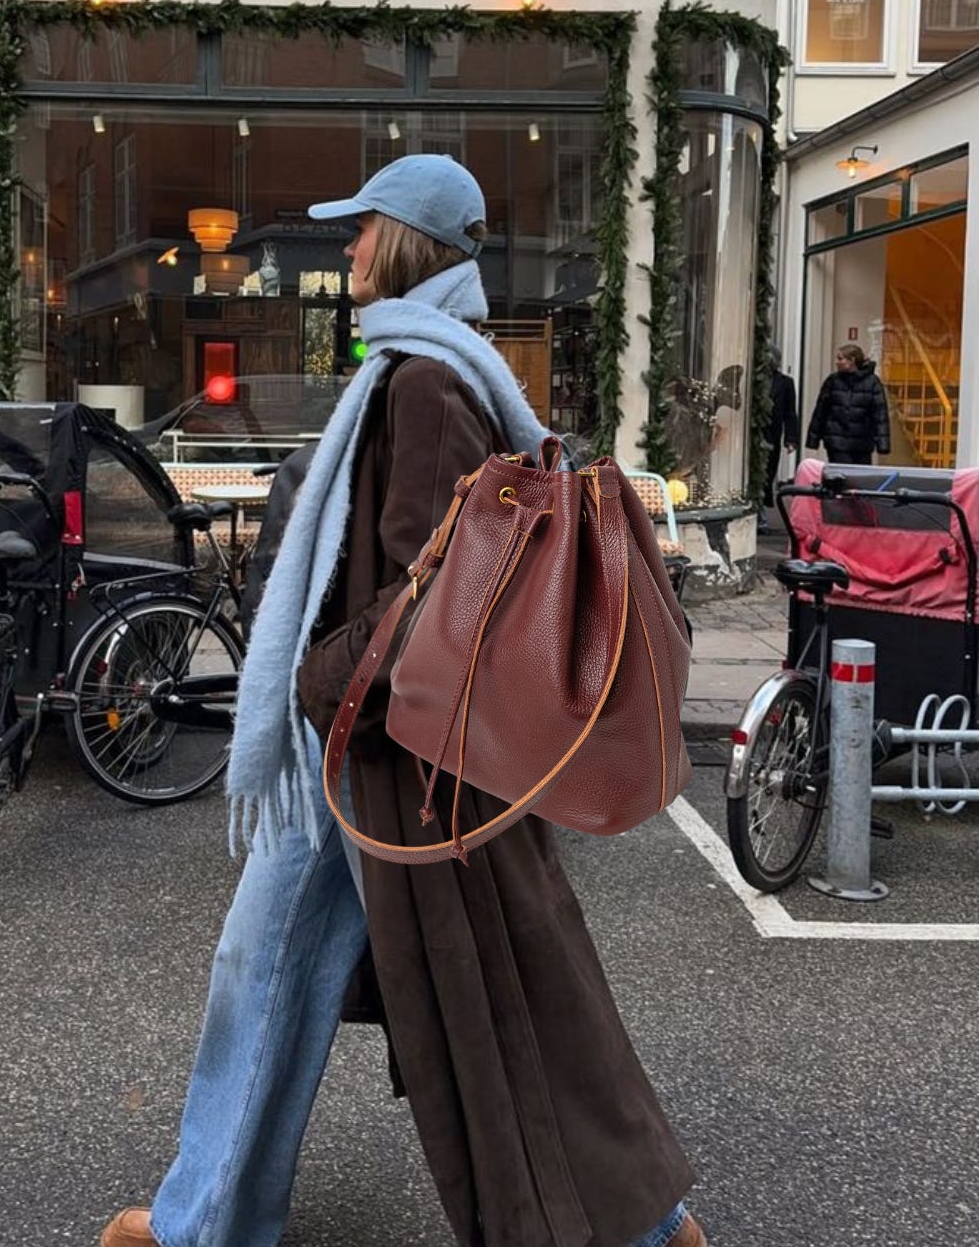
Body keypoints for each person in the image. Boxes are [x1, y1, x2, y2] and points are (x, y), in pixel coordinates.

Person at [101, 154, 704, 1247]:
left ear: (405, 240)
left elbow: (439, 588)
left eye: (362, 228)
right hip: (385, 744)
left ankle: (645, 1230)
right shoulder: (433, 362)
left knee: (475, 987)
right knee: (304, 973)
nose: (348, 247)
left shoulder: (427, 381)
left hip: (383, 746)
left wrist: (318, 675)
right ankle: (207, 1219)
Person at [805, 343, 890, 466]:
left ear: (852, 360)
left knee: (859, 475)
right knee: (841, 474)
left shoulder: (872, 382)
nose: (837, 362)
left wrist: (883, 444)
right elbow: (820, 411)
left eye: (840, 359)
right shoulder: (833, 381)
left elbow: (880, 415)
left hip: (861, 444)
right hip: (837, 441)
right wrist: (813, 439)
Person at [757, 347, 799, 534]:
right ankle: (758, 515)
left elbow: (790, 413)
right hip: (756, 433)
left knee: (768, 473)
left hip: (772, 434)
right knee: (755, 474)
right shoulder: (755, 380)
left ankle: (761, 515)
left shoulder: (786, 383)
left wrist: (791, 438)